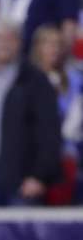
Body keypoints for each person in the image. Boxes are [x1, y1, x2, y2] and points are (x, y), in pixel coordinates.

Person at [0, 19, 61, 207]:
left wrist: (39, 176)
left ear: (19, 42)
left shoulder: (35, 80)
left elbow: (50, 132)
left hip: (23, 179)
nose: (3, 44)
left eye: (9, 38)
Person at [28, 24, 82, 205]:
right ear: (38, 48)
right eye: (49, 44)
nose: (55, 49)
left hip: (68, 155)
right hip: (35, 158)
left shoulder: (73, 79)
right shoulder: (27, 79)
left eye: (58, 44)